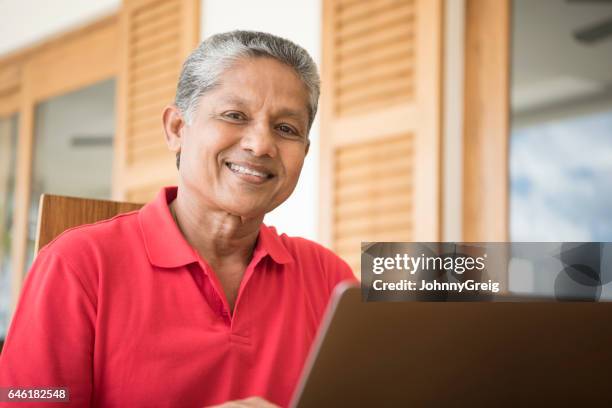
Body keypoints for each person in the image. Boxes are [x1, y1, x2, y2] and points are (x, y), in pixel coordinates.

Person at [0, 31, 356, 407]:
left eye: (286, 129)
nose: (261, 144)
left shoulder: (330, 278)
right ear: (176, 129)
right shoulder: (76, 264)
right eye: (235, 116)